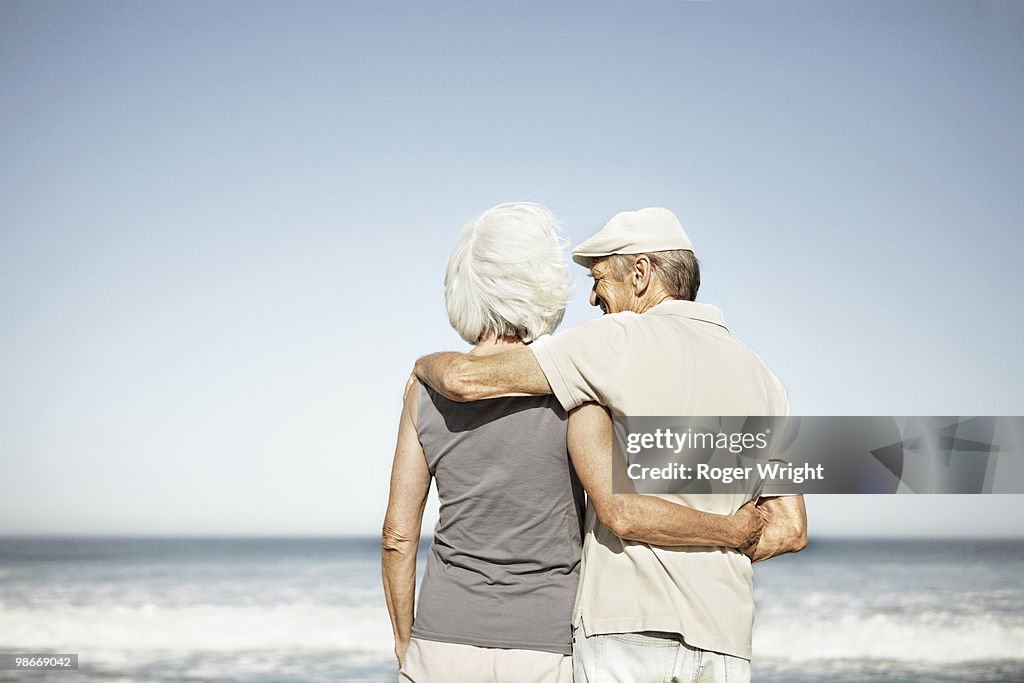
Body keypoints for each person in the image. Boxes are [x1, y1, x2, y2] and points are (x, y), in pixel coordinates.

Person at [414, 207, 808, 683]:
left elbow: (465, 379)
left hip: (626, 628)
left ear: (640, 274)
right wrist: (727, 531)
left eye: (601, 279)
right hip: (723, 640)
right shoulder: (765, 378)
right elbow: (790, 529)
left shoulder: (615, 341)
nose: (595, 296)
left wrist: (422, 365)